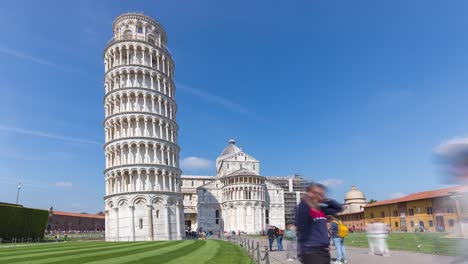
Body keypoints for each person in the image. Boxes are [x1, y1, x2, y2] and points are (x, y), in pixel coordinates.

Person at [295, 183, 343, 264]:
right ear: (309, 193)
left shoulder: (322, 210)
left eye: (321, 194)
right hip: (311, 252)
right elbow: (301, 228)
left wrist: (325, 200)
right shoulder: (303, 208)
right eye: (315, 193)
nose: (318, 196)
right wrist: (307, 198)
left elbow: (339, 208)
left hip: (323, 251)